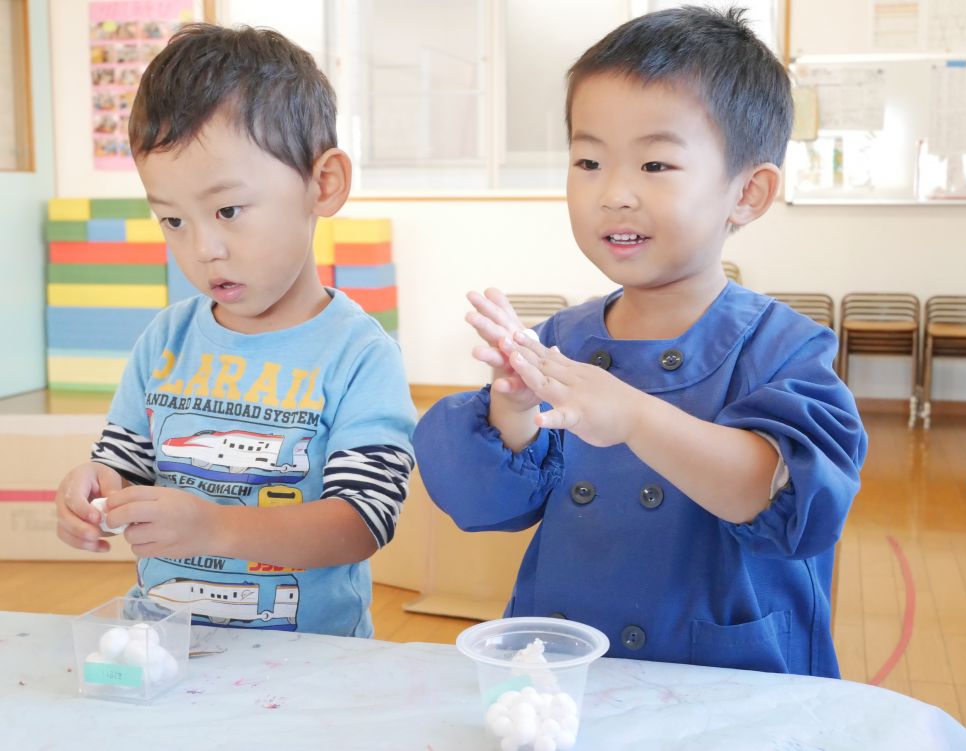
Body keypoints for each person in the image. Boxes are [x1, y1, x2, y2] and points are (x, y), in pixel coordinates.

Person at [413, 7, 866, 677]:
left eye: (655, 163)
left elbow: (779, 498)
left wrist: (632, 415)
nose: (614, 193)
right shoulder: (563, 339)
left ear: (748, 192)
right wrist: (512, 412)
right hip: (574, 679)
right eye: (588, 160)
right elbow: (489, 507)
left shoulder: (784, 349)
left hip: (725, 683)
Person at [55, 24, 416, 637]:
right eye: (172, 219)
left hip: (310, 665)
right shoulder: (165, 340)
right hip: (169, 648)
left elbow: (362, 522)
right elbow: (124, 462)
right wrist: (94, 488)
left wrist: (215, 527)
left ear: (321, 184)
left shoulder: (359, 355)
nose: (204, 248)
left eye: (227, 210)